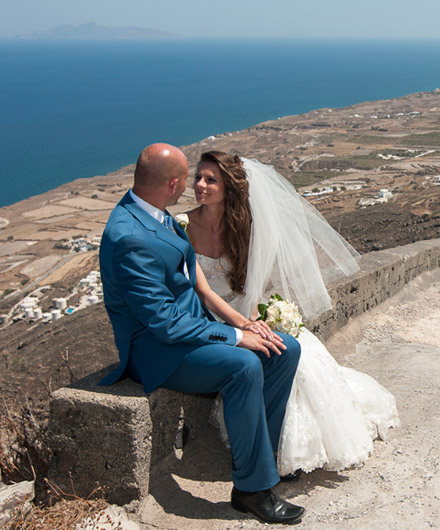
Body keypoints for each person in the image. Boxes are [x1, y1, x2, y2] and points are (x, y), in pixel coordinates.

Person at [98, 143, 305, 525]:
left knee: (285, 348)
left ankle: (259, 457)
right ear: (173, 183)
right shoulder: (130, 236)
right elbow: (163, 323)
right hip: (158, 351)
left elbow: (195, 290)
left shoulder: (154, 214)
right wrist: (234, 336)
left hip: (190, 333)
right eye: (190, 178)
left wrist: (240, 325)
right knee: (244, 365)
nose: (194, 187)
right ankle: (252, 491)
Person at [185, 150, 400, 476]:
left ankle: (285, 447)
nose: (199, 185)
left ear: (229, 186)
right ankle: (265, 448)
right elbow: (203, 291)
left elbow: (254, 284)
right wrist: (242, 325)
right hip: (212, 318)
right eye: (198, 177)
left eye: (210, 179)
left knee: (296, 355)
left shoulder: (246, 228)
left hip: (245, 313)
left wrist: (258, 318)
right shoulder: (183, 226)